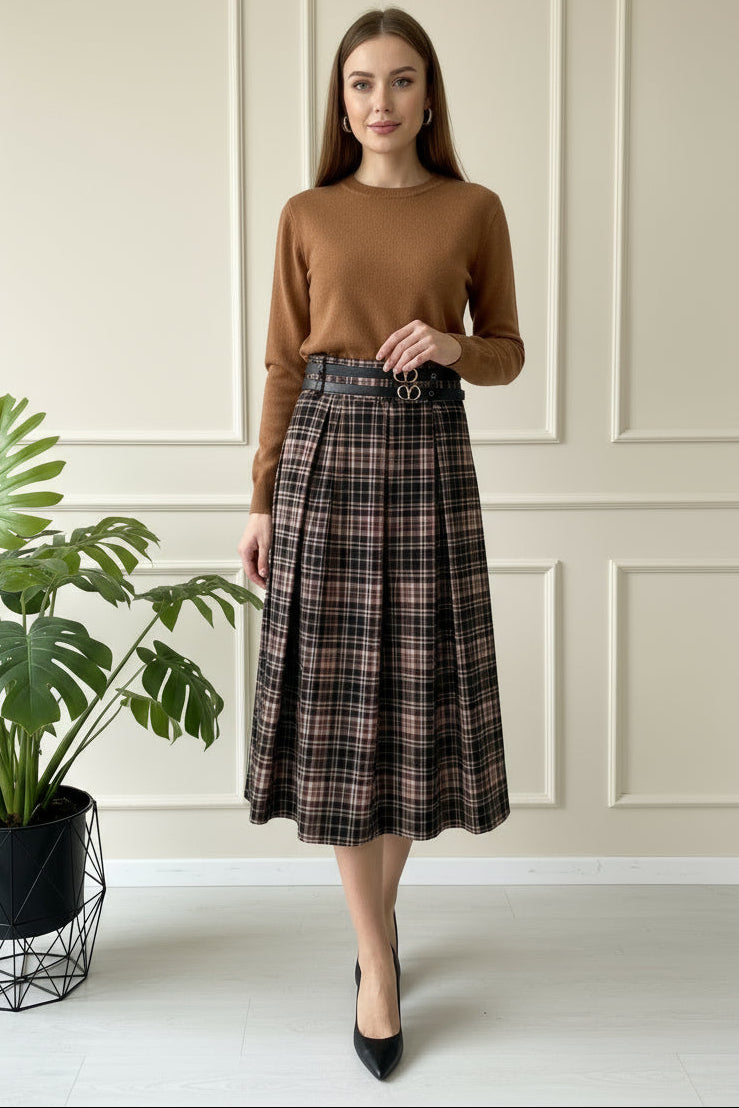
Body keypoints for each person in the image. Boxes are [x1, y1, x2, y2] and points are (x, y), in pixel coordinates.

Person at [237, 6, 525, 1081]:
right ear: (341, 101)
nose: (381, 102)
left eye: (401, 81)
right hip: (322, 462)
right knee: (340, 725)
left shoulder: (473, 208)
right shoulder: (306, 213)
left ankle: (373, 933)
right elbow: (282, 364)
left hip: (428, 466)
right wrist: (261, 497)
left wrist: (451, 343)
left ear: (429, 96)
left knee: (408, 713)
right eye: (361, 83)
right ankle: (376, 960)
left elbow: (506, 352)